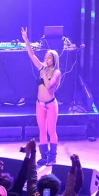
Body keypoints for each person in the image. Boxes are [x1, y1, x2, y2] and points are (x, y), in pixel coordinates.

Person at [21, 26, 62, 166]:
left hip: (51, 104)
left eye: (49, 57)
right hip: (40, 104)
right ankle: (44, 156)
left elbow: (50, 85)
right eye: (46, 57)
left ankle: (53, 156)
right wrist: (26, 40)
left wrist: (44, 72)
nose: (46, 59)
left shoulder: (56, 72)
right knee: (42, 130)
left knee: (51, 131)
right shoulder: (42, 67)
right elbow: (32, 55)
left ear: (54, 59)